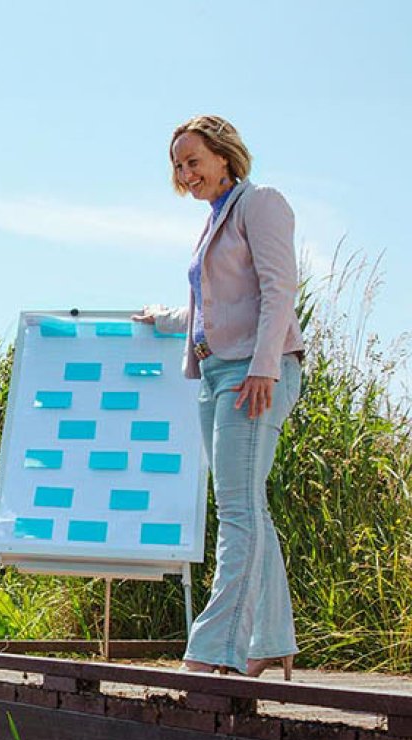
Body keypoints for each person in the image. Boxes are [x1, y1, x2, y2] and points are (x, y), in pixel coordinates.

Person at [133, 115, 307, 679]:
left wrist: (263, 368)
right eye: (178, 167)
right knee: (248, 507)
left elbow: (281, 289)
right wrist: (165, 320)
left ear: (225, 155)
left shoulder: (261, 203)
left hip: (253, 375)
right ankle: (271, 640)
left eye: (193, 161)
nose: (186, 174)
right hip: (216, 375)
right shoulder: (214, 221)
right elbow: (216, 309)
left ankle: (215, 652)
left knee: (236, 513)